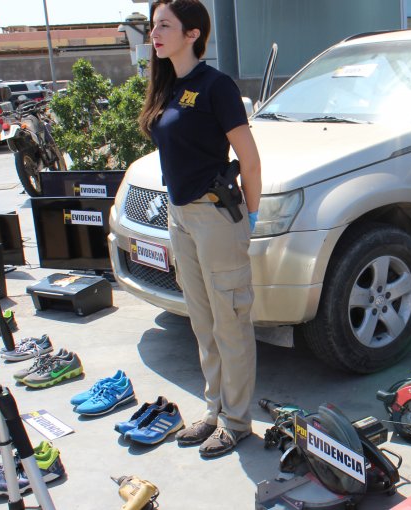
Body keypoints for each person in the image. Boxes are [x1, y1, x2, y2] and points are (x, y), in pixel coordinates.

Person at [138, 0, 261, 457]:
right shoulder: (166, 87)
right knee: (204, 323)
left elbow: (249, 159)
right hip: (180, 217)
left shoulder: (216, 86)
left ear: (193, 33)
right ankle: (214, 411)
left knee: (230, 321)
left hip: (215, 217)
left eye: (164, 25)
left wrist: (249, 217)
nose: (155, 33)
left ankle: (237, 420)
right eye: (153, 26)